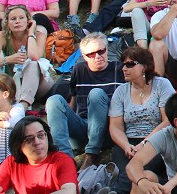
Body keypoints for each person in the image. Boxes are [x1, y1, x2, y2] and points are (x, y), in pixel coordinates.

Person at [107, 45, 174, 194]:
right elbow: (115, 126)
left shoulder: (162, 85)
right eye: (123, 64)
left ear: (144, 66)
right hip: (129, 143)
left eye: (130, 64)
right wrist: (125, 145)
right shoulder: (121, 92)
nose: (124, 68)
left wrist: (145, 143)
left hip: (157, 141)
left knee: (133, 170)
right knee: (128, 171)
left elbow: (168, 120)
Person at [44, 32, 121, 167]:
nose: (98, 56)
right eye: (91, 54)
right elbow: (73, 100)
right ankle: (64, 158)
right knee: (54, 100)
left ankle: (92, 154)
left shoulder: (119, 69)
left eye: (101, 51)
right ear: (84, 56)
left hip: (109, 130)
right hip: (84, 128)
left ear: (107, 49)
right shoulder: (79, 70)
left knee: (96, 94)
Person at [0, 5, 53, 110]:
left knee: (33, 64)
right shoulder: (2, 36)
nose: (17, 21)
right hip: (12, 84)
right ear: (7, 23)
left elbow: (34, 56)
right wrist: (8, 59)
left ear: (28, 20)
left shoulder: (38, 34)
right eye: (13, 19)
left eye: (21, 18)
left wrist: (30, 33)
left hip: (38, 84)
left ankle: (22, 108)